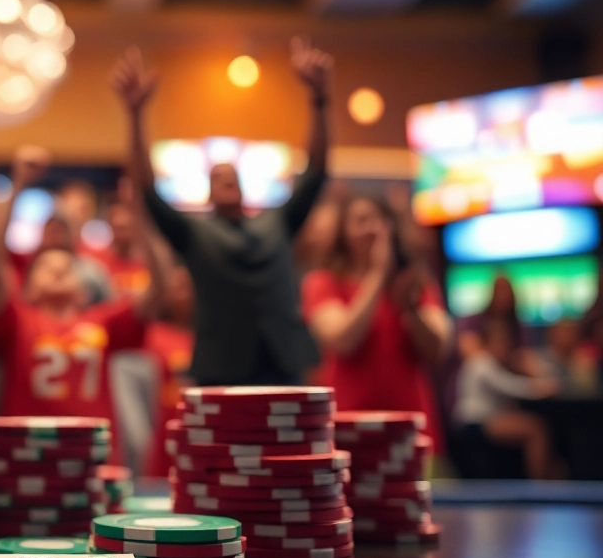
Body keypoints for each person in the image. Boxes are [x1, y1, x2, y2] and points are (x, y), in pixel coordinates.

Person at [113, 38, 335, 386]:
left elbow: (317, 172)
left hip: (284, 361)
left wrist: (319, 99)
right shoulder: (193, 231)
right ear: (208, 192)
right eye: (218, 177)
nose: (227, 179)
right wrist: (135, 115)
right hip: (221, 368)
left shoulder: (275, 221)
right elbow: (146, 190)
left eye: (233, 176)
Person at [0, 147, 163, 465]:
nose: (58, 268)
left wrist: (142, 212)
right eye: (46, 266)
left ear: (84, 289)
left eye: (68, 266)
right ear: (29, 288)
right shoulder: (18, 320)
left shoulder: (102, 321)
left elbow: (158, 288)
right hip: (29, 458)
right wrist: (18, 184)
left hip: (92, 459)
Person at [302, 194, 452, 452]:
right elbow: (344, 339)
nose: (369, 228)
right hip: (348, 431)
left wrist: (411, 308)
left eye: (377, 220)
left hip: (410, 428)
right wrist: (378, 273)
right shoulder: (323, 282)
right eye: (360, 221)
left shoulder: (415, 282)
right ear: (343, 232)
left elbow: (439, 348)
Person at [455, 319, 566, 480]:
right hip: (475, 423)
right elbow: (509, 387)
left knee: (533, 425)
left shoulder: (487, 362)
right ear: (489, 341)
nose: (505, 347)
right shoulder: (481, 362)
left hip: (485, 420)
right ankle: (540, 486)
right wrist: (539, 388)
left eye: (506, 342)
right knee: (536, 429)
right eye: (500, 342)